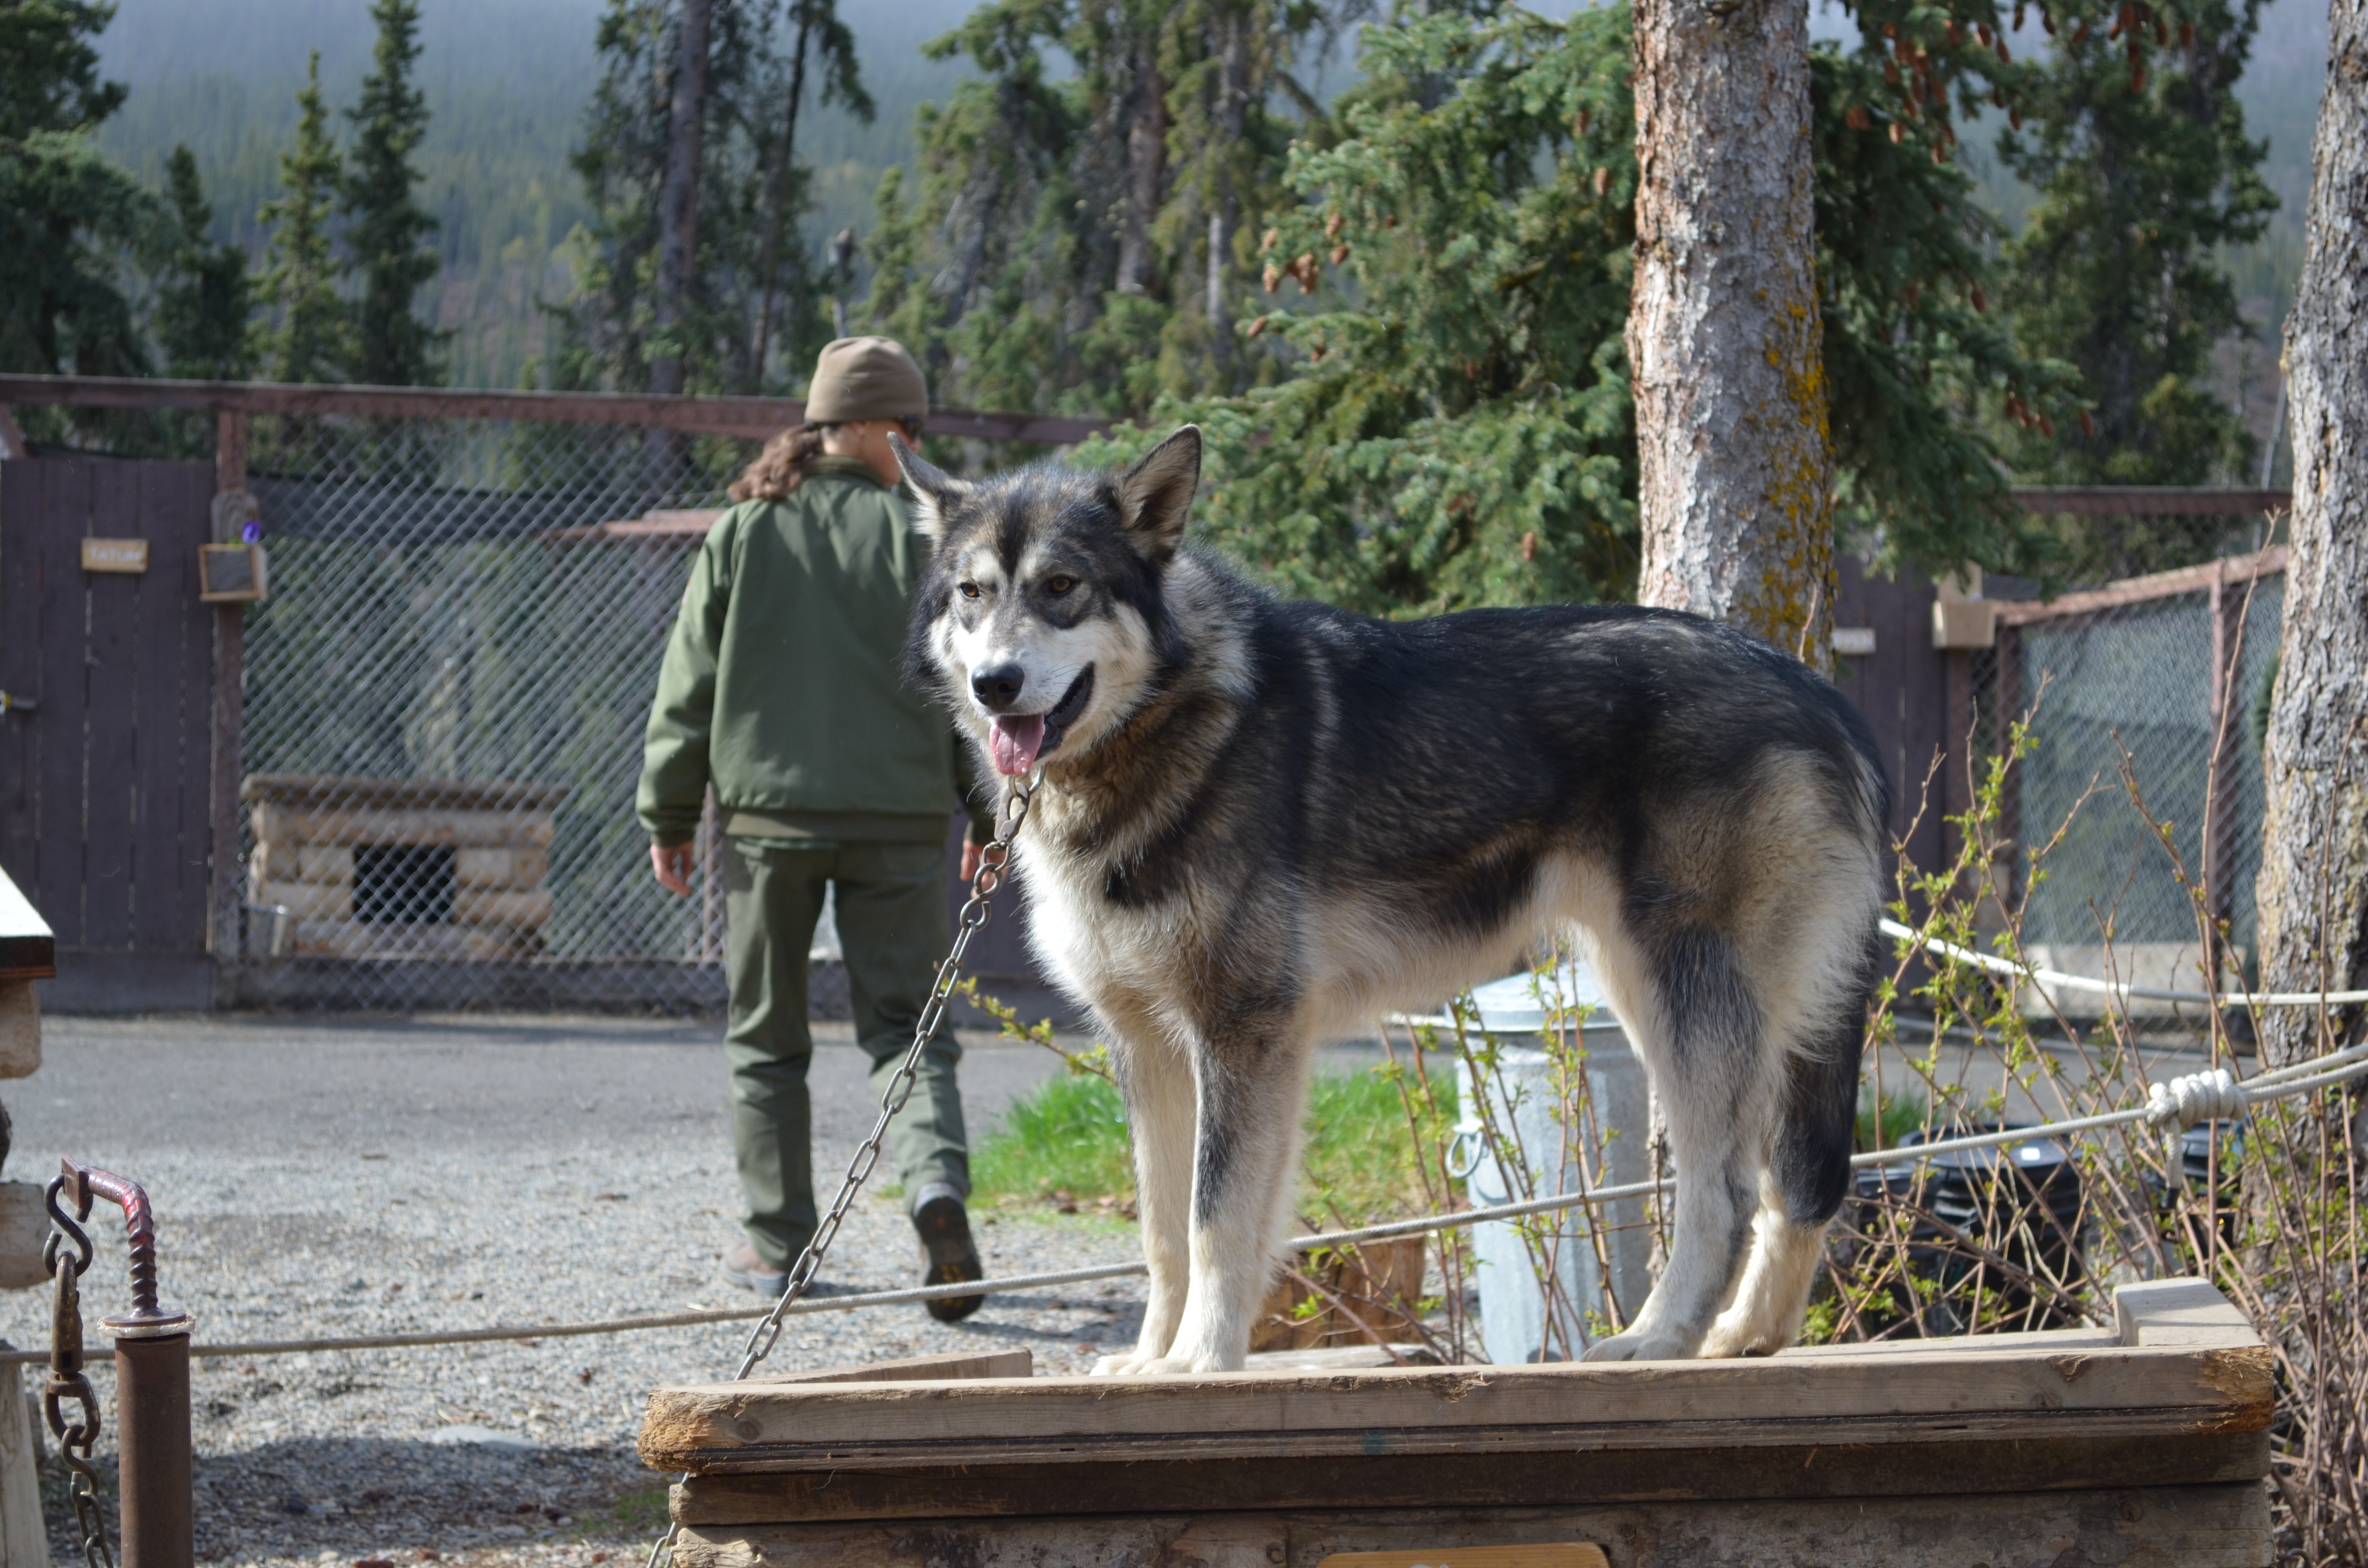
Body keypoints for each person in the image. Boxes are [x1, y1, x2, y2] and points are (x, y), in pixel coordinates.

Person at [637, 336, 993, 1319]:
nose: (917, 449)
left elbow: (689, 687)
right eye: (911, 432)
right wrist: (987, 816)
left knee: (765, 1040)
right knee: (909, 1031)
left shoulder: (745, 529)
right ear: (881, 430)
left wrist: (668, 810)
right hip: (898, 820)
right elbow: (975, 691)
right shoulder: (936, 543)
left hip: (766, 822)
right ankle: (934, 1190)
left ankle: (775, 1250)